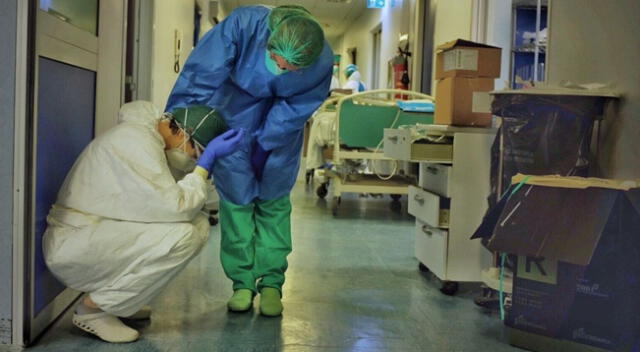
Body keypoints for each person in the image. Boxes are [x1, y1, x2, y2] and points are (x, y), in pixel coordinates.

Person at [165, 5, 333, 317]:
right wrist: (180, 118)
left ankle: (271, 283)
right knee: (237, 203)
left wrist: (267, 143)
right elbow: (203, 71)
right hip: (232, 112)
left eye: (290, 69)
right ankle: (241, 283)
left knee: (273, 204)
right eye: (277, 61)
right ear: (269, 42)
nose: (281, 69)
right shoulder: (245, 25)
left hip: (282, 128)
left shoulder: (321, 59)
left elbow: (299, 106)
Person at [43, 101, 244, 343]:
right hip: (73, 243)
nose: (193, 160)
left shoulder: (148, 140)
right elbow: (175, 207)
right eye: (197, 153)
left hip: (92, 231)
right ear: (181, 132)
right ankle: (94, 311)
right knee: (185, 236)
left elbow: (171, 203)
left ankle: (117, 302)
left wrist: (203, 167)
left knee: (198, 225)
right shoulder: (136, 142)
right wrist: (202, 169)